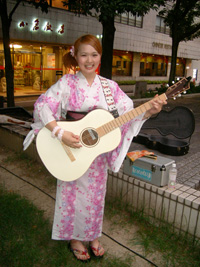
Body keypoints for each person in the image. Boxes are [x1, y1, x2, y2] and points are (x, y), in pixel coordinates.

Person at [23, 34, 167, 261]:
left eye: (94, 54)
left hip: (95, 155)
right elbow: (43, 105)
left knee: (94, 199)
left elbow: (127, 117)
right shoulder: (67, 83)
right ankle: (74, 238)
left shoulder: (110, 88)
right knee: (71, 197)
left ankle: (92, 235)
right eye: (84, 55)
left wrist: (148, 111)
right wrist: (59, 132)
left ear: (100, 56)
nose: (89, 60)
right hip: (70, 147)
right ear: (76, 56)